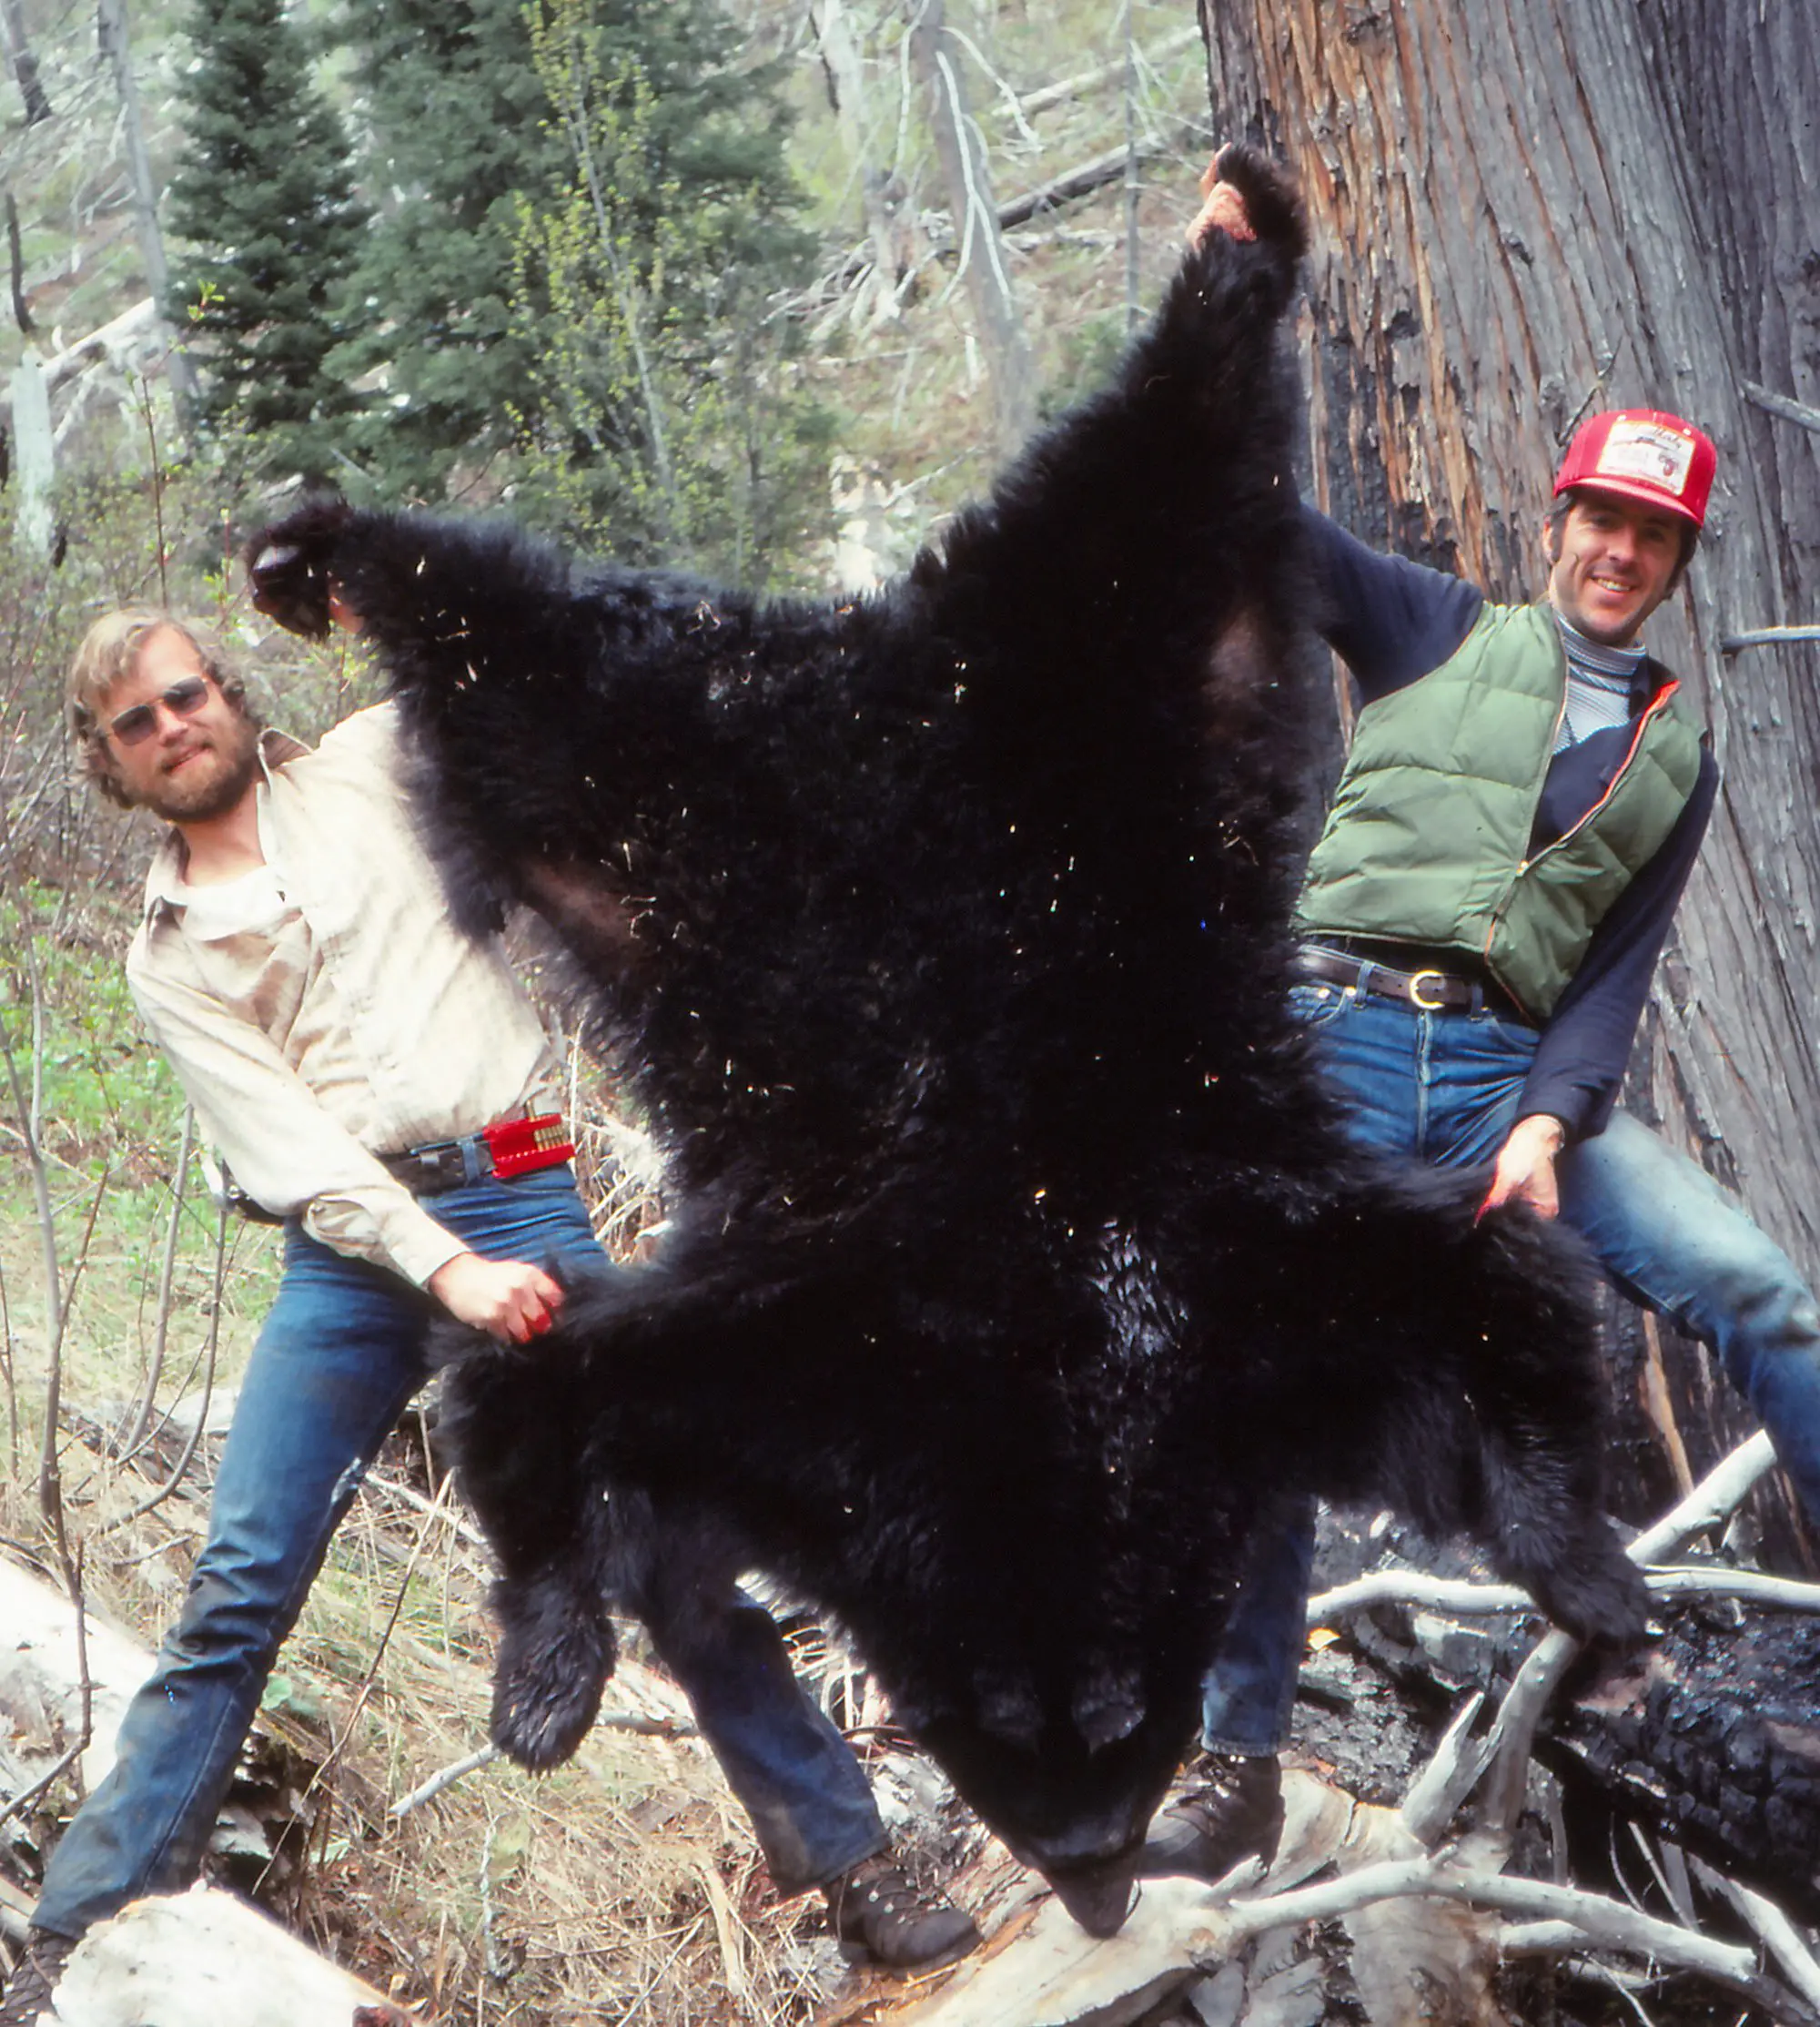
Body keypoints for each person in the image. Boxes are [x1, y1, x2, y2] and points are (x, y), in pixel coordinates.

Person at [0, 610, 978, 2022]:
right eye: (136, 724)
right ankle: (75, 1940)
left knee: (668, 1550)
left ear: (224, 689)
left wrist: (363, 588)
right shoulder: (166, 957)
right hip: (349, 1263)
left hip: (520, 1200)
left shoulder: (369, 766)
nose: (172, 727)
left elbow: (477, 652)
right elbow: (291, 1149)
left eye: (184, 694)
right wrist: (436, 1266)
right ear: (107, 761)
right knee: (238, 1590)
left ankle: (856, 1865)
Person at [1148, 162, 1820, 1884]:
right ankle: (1232, 1753)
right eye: (1600, 517)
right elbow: (1250, 520)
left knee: (1760, 1293)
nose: (1618, 550)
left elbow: (1616, 975)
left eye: (1652, 534)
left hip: (1518, 1095)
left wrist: (1549, 1121)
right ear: (1560, 522)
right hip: (1347, 1045)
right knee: (1274, 1383)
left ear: (1677, 561)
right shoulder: (1432, 626)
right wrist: (1221, 300)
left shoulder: (1680, 753)